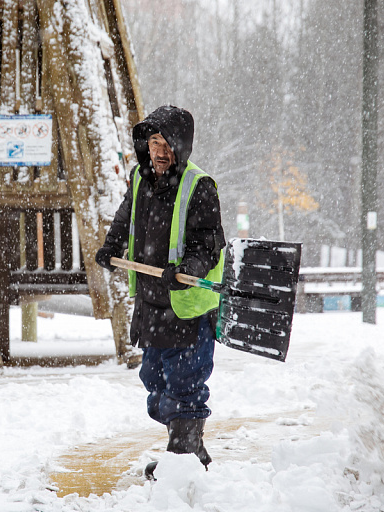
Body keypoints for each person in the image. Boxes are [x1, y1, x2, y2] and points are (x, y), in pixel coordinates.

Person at [95, 105, 226, 479]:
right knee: (154, 381)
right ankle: (189, 445)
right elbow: (126, 216)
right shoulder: (141, 177)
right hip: (151, 302)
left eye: (167, 143)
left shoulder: (199, 186)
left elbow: (207, 243)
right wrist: (112, 245)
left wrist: (188, 270)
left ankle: (183, 456)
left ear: (181, 145)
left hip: (186, 305)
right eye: (154, 142)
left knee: (185, 382)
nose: (160, 151)